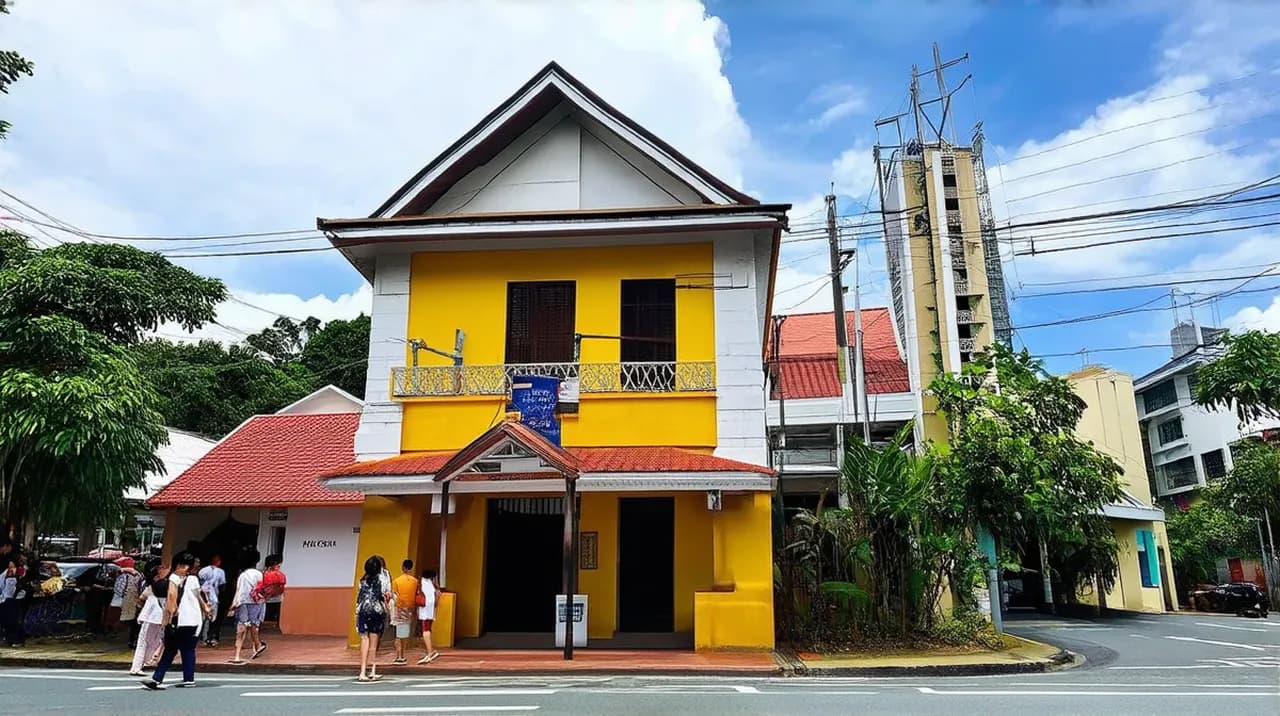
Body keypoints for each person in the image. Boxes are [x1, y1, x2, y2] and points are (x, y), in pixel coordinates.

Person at [142, 551, 212, 690]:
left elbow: (171, 597)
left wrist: (170, 615)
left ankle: (158, 678)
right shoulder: (192, 579)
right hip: (193, 620)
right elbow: (198, 596)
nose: (184, 568)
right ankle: (186, 679)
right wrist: (205, 609)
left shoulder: (174, 578)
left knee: (172, 649)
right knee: (185, 649)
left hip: (180, 620)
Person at [355, 556, 390, 682]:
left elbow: (359, 598)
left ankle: (362, 672)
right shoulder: (382, 579)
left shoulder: (362, 581)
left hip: (363, 611)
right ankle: (373, 671)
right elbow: (384, 595)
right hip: (377, 611)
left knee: (364, 640)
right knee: (373, 644)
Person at [228, 550, 266, 665]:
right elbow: (262, 590)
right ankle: (257, 646)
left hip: (244, 603)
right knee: (254, 626)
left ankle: (237, 656)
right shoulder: (259, 574)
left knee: (241, 628)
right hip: (257, 602)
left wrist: (233, 605)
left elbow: (238, 591)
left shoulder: (243, 575)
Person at [129, 569, 169, 676]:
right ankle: (143, 663)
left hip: (151, 619)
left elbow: (142, 600)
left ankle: (139, 665)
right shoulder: (164, 589)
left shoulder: (152, 589)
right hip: (158, 618)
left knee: (145, 642)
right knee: (154, 642)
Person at [390, 559, 418, 665]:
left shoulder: (397, 581)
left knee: (398, 634)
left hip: (399, 608)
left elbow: (394, 596)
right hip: (410, 609)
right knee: (404, 634)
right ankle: (403, 655)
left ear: (403, 567)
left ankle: (399, 656)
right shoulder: (415, 581)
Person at [112, 557, 143, 648]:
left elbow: (118, 589)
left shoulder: (125, 575)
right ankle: (134, 640)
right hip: (135, 600)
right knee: (134, 621)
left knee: (132, 621)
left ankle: (132, 640)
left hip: (129, 600)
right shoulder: (137, 574)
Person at [197, 555, 226, 647]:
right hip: (212, 597)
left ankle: (203, 637)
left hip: (203, 596)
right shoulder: (221, 572)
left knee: (204, 618)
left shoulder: (203, 570)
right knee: (212, 618)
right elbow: (222, 585)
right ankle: (208, 637)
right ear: (219, 562)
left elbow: (200, 581)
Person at [416, 568, 442, 665]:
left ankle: (430, 652)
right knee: (428, 630)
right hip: (431, 610)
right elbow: (437, 597)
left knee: (425, 631)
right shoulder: (431, 585)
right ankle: (431, 651)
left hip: (425, 610)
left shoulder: (422, 583)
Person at [1, 559, 24, 647]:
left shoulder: (19, 576)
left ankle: (17, 640)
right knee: (6, 621)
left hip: (15, 601)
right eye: (9, 567)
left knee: (13, 621)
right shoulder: (3, 576)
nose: (11, 569)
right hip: (4, 601)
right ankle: (8, 639)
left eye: (13, 567)